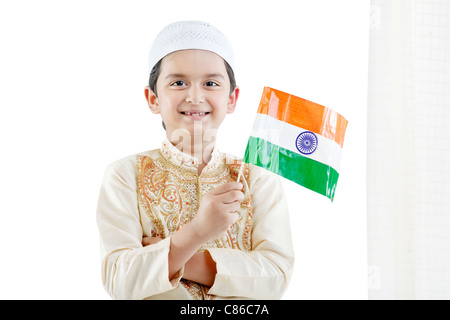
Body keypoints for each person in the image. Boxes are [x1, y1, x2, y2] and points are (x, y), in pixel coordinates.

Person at [96, 20, 294, 300]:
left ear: (232, 99)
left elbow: (276, 277)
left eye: (211, 83)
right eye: (178, 82)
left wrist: (179, 258)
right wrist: (199, 231)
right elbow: (120, 280)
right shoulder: (124, 175)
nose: (195, 96)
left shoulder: (258, 179)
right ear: (153, 99)